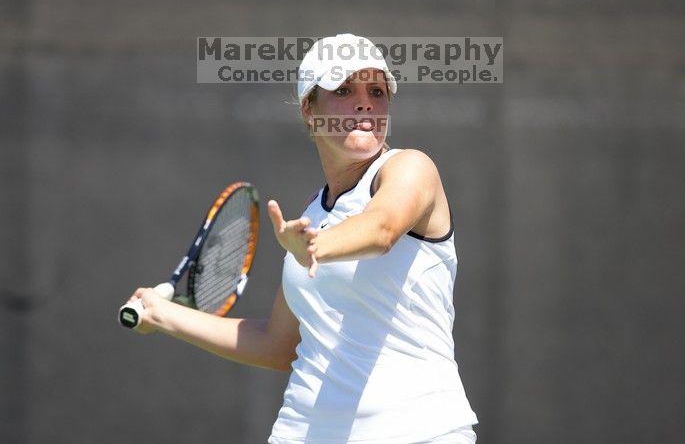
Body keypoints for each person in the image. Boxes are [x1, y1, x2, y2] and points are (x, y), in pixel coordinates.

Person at [127, 34, 478, 443]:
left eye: (377, 91)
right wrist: (163, 315)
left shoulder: (411, 168)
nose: (364, 102)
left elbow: (382, 228)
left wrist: (316, 248)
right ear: (309, 109)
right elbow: (277, 344)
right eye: (344, 89)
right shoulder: (312, 219)